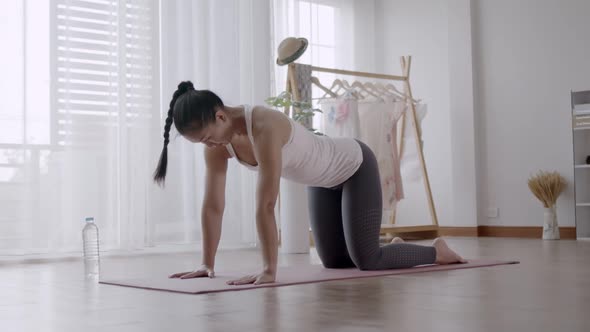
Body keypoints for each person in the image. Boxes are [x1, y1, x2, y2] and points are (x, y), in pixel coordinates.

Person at [154, 81, 466, 286]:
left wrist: (268, 270)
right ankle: (391, 247)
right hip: (321, 181)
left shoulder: (264, 125)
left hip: (354, 165)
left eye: (207, 137)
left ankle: (436, 251)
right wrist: (207, 264)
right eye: (200, 143)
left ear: (220, 117)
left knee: (368, 261)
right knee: (334, 262)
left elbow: (266, 204)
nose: (208, 146)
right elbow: (212, 207)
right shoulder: (218, 147)